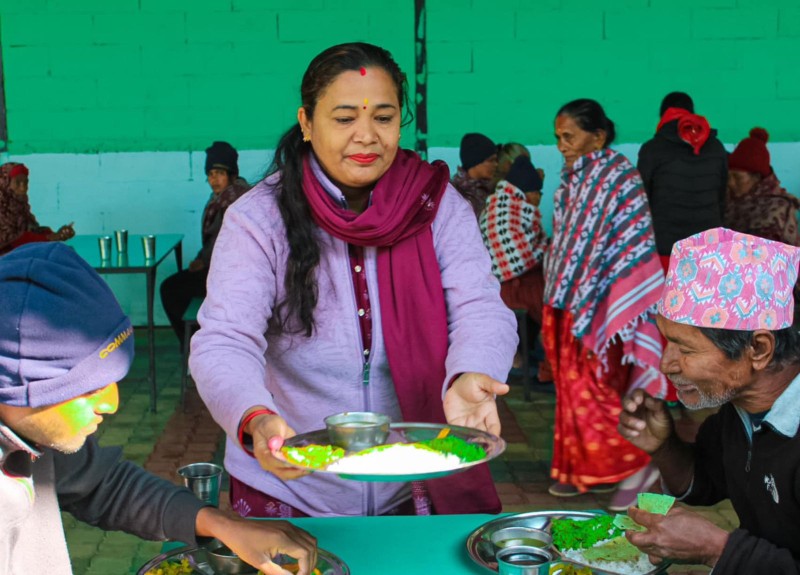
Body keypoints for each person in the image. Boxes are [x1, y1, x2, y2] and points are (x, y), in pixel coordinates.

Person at [190, 42, 517, 519]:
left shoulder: (435, 203)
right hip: (293, 482)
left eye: (383, 118)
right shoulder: (257, 219)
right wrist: (254, 418)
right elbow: (224, 340)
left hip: (413, 471)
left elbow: (481, 306)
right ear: (306, 122)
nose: (366, 136)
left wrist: (470, 371)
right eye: (344, 118)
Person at [0, 243, 317, 575]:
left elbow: (103, 485)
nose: (112, 404)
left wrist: (220, 524)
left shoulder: (33, 437)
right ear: (19, 389)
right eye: (89, 389)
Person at [618, 227, 800, 574]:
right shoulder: (740, 410)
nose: (666, 364)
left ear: (758, 349)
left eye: (685, 349)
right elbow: (708, 481)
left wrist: (717, 550)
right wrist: (664, 446)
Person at [544, 98, 667, 511]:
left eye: (569, 136)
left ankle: (638, 467)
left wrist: (597, 296)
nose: (562, 145)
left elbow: (633, 248)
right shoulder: (570, 180)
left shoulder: (620, 178)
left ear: (597, 136)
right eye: (558, 137)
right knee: (569, 393)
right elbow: (567, 243)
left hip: (605, 312)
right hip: (565, 305)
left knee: (597, 391)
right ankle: (577, 471)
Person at [159, 141, 250, 344]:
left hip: (232, 277)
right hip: (220, 270)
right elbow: (214, 241)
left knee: (169, 290)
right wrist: (202, 258)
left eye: (219, 173)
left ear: (232, 175)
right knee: (176, 287)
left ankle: (194, 345)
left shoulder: (233, 202)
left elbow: (228, 243)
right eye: (210, 174)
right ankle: (198, 343)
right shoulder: (224, 197)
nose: (214, 179)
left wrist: (204, 261)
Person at [637, 92, 728, 264]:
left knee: (669, 292)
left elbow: (641, 201)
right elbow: (722, 197)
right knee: (705, 291)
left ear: (663, 115)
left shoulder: (653, 149)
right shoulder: (716, 148)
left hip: (666, 248)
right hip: (708, 248)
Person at [480, 155, 548, 325]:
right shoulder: (511, 209)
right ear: (527, 193)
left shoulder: (496, 204)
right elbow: (523, 255)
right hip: (516, 291)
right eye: (537, 193)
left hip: (496, 290)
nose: (539, 199)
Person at [724, 127, 800, 247]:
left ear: (757, 178)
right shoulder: (727, 200)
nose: (731, 183)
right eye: (729, 177)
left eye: (738, 178)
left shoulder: (777, 208)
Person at [0, 162, 75, 255]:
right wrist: (51, 237)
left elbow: (32, 231)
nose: (23, 188)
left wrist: (59, 234)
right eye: (18, 182)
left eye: (25, 182)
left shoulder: (20, 207)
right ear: (5, 183)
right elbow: (15, 239)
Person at [450, 132, 498, 217]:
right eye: (491, 160)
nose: (496, 164)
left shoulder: (491, 188)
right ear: (476, 161)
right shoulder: (457, 193)